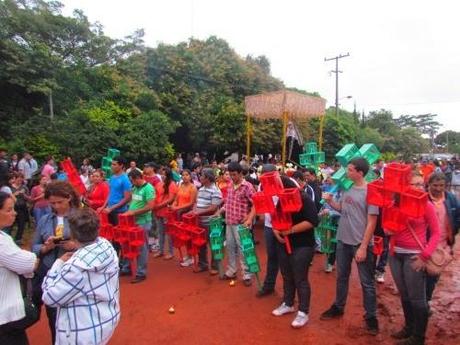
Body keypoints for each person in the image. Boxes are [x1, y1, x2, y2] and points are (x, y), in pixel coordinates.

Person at [41, 207, 120, 345]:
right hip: (104, 320)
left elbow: (49, 297)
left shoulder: (76, 268)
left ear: (72, 233)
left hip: (81, 331)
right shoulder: (107, 246)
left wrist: (58, 264)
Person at [320, 158, 380, 335]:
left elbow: (372, 222)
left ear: (360, 173)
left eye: (351, 170)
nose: (347, 172)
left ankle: (371, 317)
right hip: (343, 240)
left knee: (367, 282)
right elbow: (343, 209)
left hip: (360, 243)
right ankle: (338, 306)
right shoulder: (347, 188)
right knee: (342, 277)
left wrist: (363, 246)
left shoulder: (371, 191)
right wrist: (331, 202)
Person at [389, 173, 440, 345]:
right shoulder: (395, 203)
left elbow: (436, 233)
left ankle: (418, 337)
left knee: (418, 298)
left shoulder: (426, 205)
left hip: (414, 256)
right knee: (404, 294)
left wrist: (424, 256)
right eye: (414, 184)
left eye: (421, 184)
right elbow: (387, 226)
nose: (419, 188)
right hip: (395, 255)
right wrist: (388, 230)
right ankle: (409, 328)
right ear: (405, 186)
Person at [32, 181, 80, 344]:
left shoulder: (80, 217)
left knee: (74, 315)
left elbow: (93, 243)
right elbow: (35, 246)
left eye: (60, 202)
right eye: (52, 203)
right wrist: (45, 248)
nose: (56, 206)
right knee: (53, 315)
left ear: (69, 198)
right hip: (49, 270)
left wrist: (75, 245)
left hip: (72, 271)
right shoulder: (45, 219)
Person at [271, 176, 319, 328]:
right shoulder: (281, 199)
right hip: (284, 244)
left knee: (300, 278)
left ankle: (303, 312)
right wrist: (276, 231)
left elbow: (313, 221)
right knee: (286, 275)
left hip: (303, 244)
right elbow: (277, 218)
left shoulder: (304, 198)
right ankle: (288, 303)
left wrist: (289, 231)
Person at [0, 191, 38, 345]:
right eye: (9, 210)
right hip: (5, 316)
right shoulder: (2, 243)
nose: (14, 213)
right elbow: (29, 264)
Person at [218, 162, 255, 286]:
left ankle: (247, 274)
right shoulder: (229, 186)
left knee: (243, 249)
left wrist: (249, 218)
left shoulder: (248, 186)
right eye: (230, 174)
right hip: (229, 222)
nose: (232, 177)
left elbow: (256, 204)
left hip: (241, 224)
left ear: (240, 173)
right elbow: (227, 203)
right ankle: (231, 270)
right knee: (230, 247)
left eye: (234, 175)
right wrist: (220, 211)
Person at [425, 172, 460, 303]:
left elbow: (458, 215)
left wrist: (454, 229)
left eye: (442, 185)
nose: (438, 189)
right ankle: (422, 302)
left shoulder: (450, 198)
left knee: (434, 274)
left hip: (443, 245)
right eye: (435, 185)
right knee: (421, 275)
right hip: (425, 243)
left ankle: (426, 299)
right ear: (429, 184)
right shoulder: (423, 198)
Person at [119, 169, 156, 283]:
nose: (131, 183)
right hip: (132, 221)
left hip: (143, 222)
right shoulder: (135, 188)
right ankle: (127, 268)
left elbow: (150, 206)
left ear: (137, 178)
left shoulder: (148, 188)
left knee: (141, 247)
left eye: (132, 181)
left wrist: (133, 212)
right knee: (129, 244)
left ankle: (141, 273)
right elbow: (133, 202)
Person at [184, 168, 222, 273]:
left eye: (202, 176)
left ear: (208, 178)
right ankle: (203, 264)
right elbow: (197, 203)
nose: (200, 178)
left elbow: (214, 208)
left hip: (212, 222)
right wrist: (193, 210)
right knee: (200, 243)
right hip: (200, 222)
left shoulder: (216, 190)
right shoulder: (201, 189)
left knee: (214, 244)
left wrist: (198, 212)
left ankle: (215, 267)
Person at [257, 164, 280, 297]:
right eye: (264, 176)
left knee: (285, 260)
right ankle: (269, 286)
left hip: (283, 227)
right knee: (272, 257)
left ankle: (289, 294)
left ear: (276, 174)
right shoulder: (261, 186)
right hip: (269, 226)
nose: (267, 179)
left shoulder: (286, 183)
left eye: (269, 176)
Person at [153, 167, 178, 260]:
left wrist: (159, 206)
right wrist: (155, 206)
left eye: (165, 174)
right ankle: (161, 250)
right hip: (158, 211)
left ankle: (171, 252)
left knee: (169, 233)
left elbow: (171, 199)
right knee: (160, 232)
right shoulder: (159, 184)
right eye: (162, 174)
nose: (163, 176)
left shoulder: (172, 184)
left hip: (167, 212)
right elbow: (155, 196)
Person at [99, 156, 132, 226]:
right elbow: (110, 193)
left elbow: (127, 198)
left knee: (118, 234)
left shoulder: (125, 179)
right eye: (111, 164)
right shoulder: (112, 177)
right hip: (109, 210)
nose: (111, 166)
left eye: (114, 164)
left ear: (121, 165)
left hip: (119, 212)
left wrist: (111, 208)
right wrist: (103, 206)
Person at [10, 172, 30, 244]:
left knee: (22, 224)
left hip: (22, 208)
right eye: (18, 180)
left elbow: (29, 198)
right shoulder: (9, 187)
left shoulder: (24, 187)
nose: (20, 181)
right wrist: (15, 194)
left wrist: (24, 195)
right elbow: (6, 197)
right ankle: (8, 239)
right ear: (15, 179)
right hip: (12, 207)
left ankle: (18, 239)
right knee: (10, 224)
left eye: (21, 180)